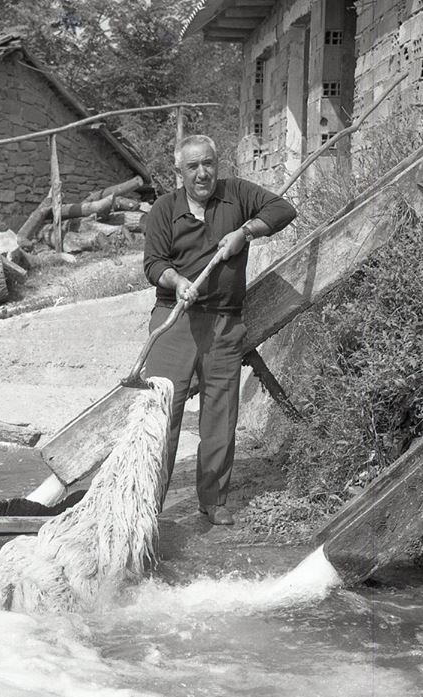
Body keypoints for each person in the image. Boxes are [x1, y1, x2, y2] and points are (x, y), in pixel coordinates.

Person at [142, 134, 297, 525]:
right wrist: (177, 282)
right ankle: (149, 503)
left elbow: (283, 210)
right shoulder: (164, 209)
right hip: (174, 320)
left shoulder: (237, 194)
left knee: (220, 414)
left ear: (218, 163)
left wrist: (245, 233)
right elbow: (152, 264)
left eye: (208, 163)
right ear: (179, 171)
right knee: (164, 415)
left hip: (225, 324)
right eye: (192, 166)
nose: (202, 173)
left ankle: (213, 501)